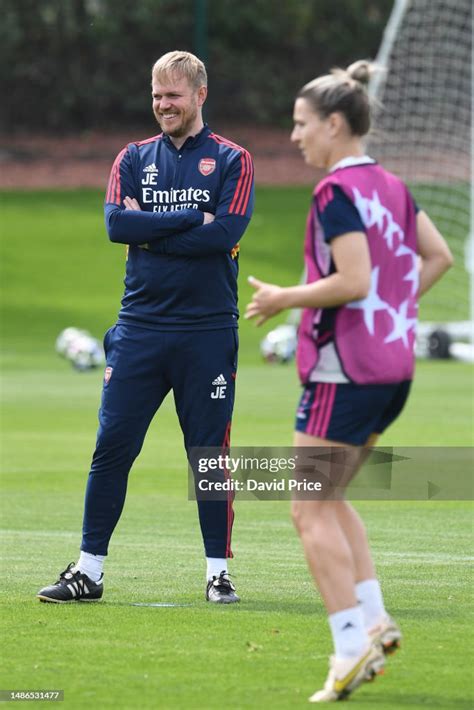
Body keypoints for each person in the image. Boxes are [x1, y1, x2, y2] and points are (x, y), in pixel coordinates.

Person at [246, 60, 452, 702]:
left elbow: (354, 280)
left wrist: (285, 296)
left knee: (306, 509)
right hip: (393, 370)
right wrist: (395, 314)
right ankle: (375, 619)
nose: (294, 136)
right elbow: (437, 256)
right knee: (332, 500)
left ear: (336, 124)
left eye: (302, 124)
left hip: (346, 369)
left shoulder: (336, 193)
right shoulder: (392, 185)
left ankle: (348, 647)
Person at [37, 50, 254, 605]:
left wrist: (151, 230)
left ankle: (217, 573)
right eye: (157, 95)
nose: (163, 105)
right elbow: (116, 225)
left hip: (206, 330)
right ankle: (88, 571)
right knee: (112, 445)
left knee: (207, 453)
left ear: (200, 95)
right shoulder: (131, 158)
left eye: (174, 96)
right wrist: (187, 220)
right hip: (139, 328)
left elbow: (225, 231)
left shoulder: (233, 160)